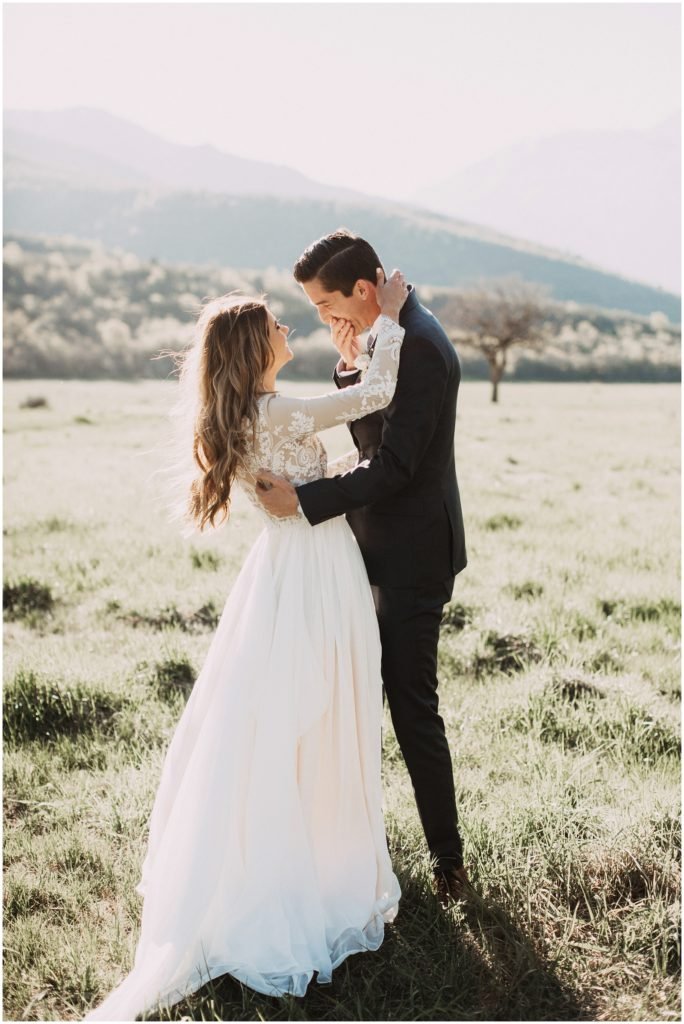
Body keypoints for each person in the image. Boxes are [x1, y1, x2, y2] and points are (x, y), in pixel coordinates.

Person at [84, 270, 409, 1021]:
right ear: (256, 345)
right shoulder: (281, 412)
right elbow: (375, 397)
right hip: (317, 576)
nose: (292, 329)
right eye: (279, 324)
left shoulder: (251, 414)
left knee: (281, 720)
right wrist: (385, 321)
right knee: (322, 715)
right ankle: (313, 871)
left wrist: (349, 350)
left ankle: (299, 858)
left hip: (281, 577)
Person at [256, 229, 469, 909]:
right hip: (364, 551)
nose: (323, 320)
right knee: (344, 704)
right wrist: (352, 367)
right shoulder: (389, 335)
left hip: (410, 559)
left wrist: (306, 501)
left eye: (327, 305)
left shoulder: (425, 347)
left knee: (411, 708)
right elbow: (372, 422)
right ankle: (344, 851)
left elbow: (397, 464)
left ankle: (449, 866)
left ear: (365, 290)